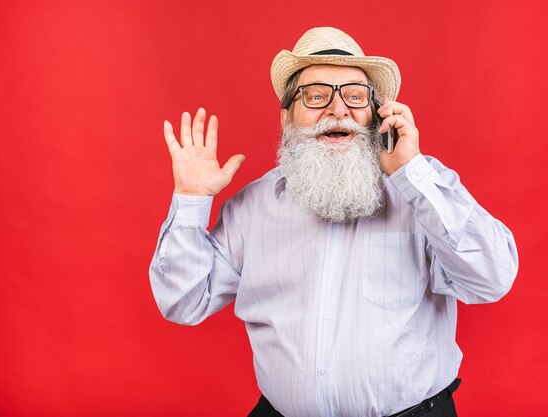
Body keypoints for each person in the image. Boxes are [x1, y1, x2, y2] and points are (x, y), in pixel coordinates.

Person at [149, 26, 518, 417]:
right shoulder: (254, 206)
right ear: (286, 117)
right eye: (316, 95)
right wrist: (190, 200)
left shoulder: (422, 190)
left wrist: (412, 174)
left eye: (355, 96)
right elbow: (183, 302)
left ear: (377, 113)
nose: (338, 109)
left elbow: (492, 277)